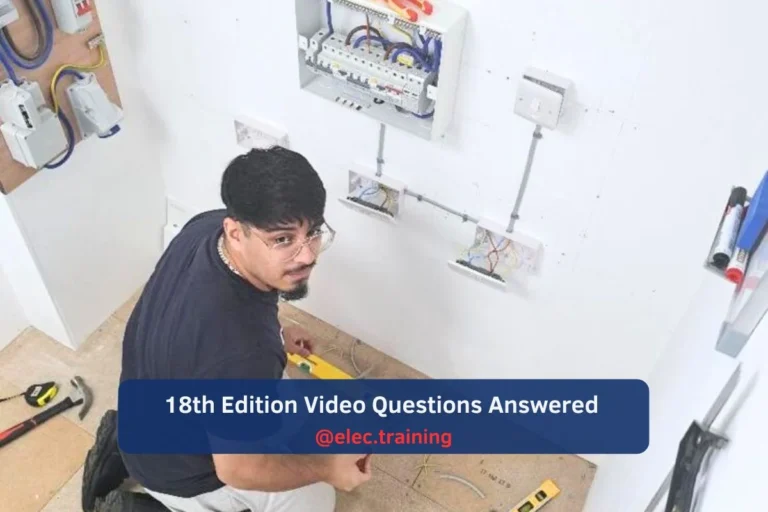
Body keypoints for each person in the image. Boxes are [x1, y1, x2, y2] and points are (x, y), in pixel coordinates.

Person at [80, 147, 372, 512]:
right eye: (283, 239)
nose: (308, 255)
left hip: (152, 416)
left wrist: (277, 332)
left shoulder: (207, 227)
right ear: (236, 233)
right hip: (179, 473)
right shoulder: (242, 356)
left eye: (312, 232)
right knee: (315, 500)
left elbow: (236, 316)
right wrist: (327, 467)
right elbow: (238, 469)